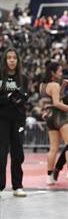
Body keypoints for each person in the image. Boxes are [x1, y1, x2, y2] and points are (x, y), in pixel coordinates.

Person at [40, 62, 68, 185]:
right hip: (60, 115)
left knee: (53, 148)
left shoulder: (43, 85)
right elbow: (57, 103)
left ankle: (49, 176)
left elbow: (53, 98)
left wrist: (63, 86)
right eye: (59, 71)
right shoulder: (54, 84)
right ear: (53, 73)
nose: (61, 73)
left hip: (49, 117)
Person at [0, 47, 28, 197]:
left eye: (14, 58)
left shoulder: (23, 78)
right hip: (2, 120)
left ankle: (17, 186)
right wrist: (8, 97)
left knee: (18, 154)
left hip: (18, 120)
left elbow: (25, 97)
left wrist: (21, 98)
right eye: (9, 57)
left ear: (17, 61)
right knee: (1, 154)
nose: (11, 60)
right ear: (5, 60)